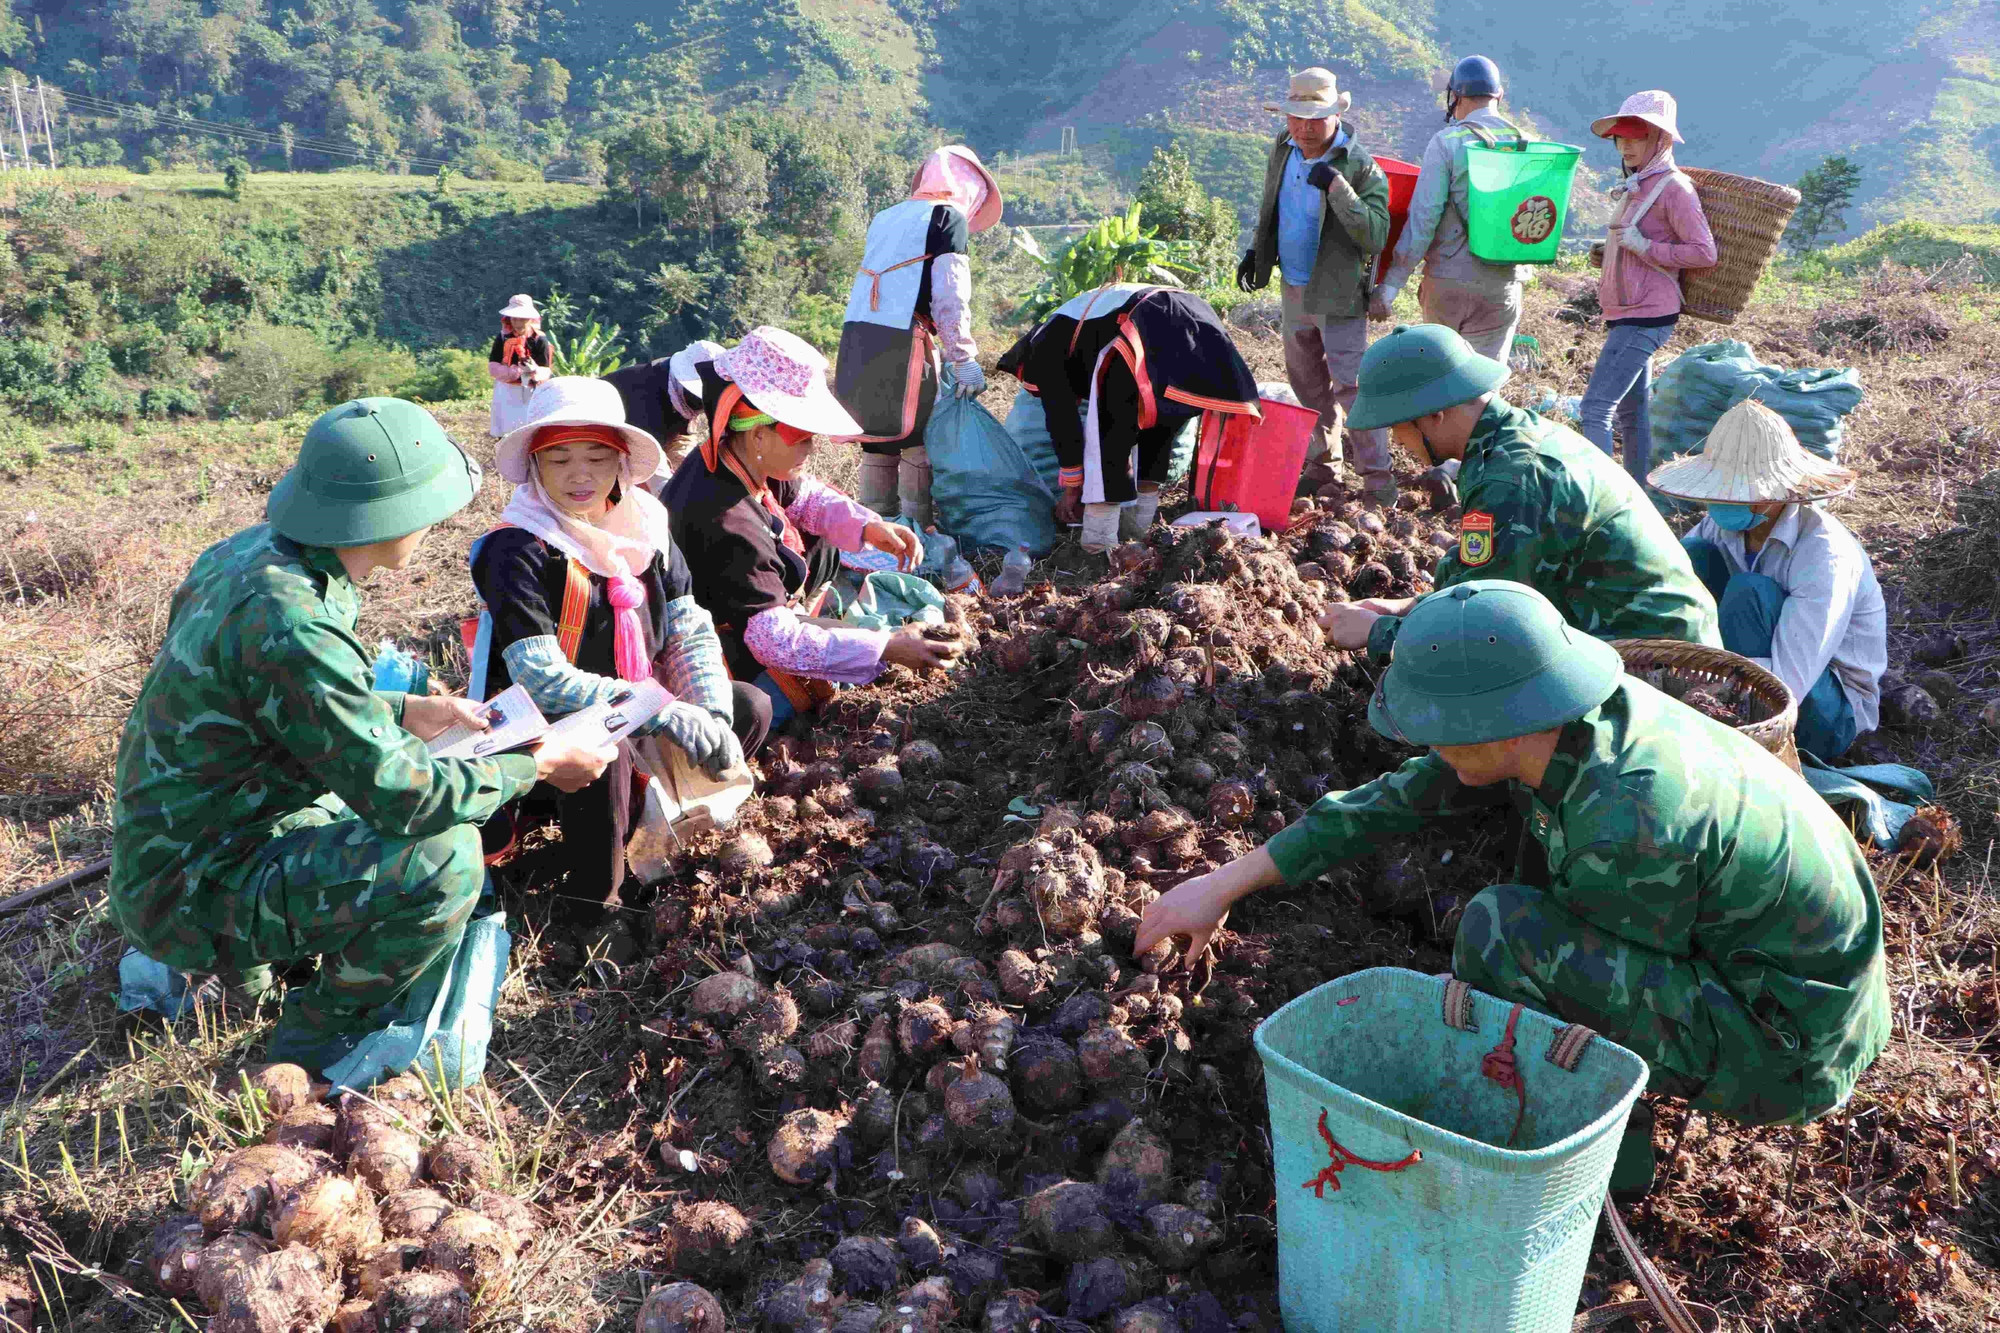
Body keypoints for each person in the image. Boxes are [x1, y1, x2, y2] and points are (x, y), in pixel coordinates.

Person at [1137, 580, 1890, 1183]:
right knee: (1526, 902)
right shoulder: (1567, 718)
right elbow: (1393, 800)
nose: (1428, 743)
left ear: (1494, 723)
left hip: (1792, 1042)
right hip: (1796, 982)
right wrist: (1225, 884)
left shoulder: (1625, 819)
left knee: (1502, 934)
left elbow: (1602, 1025)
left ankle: (1599, 1174)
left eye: (1436, 727)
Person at [110, 398, 615, 1079]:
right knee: (444, 859)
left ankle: (244, 971)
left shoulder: (252, 555)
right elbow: (405, 800)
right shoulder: (296, 620)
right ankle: (313, 1040)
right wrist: (538, 763)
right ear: (389, 514)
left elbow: (267, 697)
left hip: (192, 840)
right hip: (190, 886)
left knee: (348, 807)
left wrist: (408, 709)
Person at [470, 376, 768, 928]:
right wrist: (658, 709)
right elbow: (539, 678)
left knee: (749, 706)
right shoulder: (517, 548)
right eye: (558, 459)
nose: (579, 475)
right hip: (546, 723)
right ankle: (594, 903)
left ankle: (650, 833)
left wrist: (709, 710)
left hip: (639, 702)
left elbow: (685, 625)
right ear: (535, 465)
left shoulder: (646, 526)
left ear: (622, 464)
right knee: (599, 751)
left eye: (596, 457)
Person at [1317, 324, 1719, 660]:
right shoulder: (1508, 441)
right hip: (1632, 630)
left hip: (1654, 657)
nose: (1398, 442)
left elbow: (1486, 626)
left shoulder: (1510, 481)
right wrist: (1405, 608)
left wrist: (1382, 634)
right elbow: (1481, 573)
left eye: (1398, 428)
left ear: (1434, 415)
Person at [664, 327, 963, 727]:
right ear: (757, 434)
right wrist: (885, 647)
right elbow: (774, 642)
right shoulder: (725, 520)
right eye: (802, 437)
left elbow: (805, 497)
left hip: (748, 598)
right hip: (720, 635)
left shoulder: (737, 457)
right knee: (763, 704)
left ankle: (803, 612)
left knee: (826, 539)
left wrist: (870, 526)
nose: (811, 448)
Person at [1652, 398, 1884, 761]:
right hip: (1743, 668)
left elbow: (1791, 682)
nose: (1725, 501)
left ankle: (1737, 724)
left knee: (1750, 592)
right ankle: (1713, 702)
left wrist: (1703, 683)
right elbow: (1667, 581)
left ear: (1779, 492)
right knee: (1691, 557)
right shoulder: (1719, 526)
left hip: (1825, 710)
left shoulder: (1824, 555)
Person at [995, 284, 1259, 553]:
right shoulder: (1068, 323)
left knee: (1108, 437)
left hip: (1140, 325)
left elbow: (1064, 424)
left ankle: (1099, 547)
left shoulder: (1043, 350)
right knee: (1157, 427)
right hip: (1197, 318)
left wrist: (1072, 490)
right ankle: (1142, 536)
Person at [1235, 67, 1395, 506]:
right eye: (1296, 118)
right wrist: (1257, 251)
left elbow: (1376, 235)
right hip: (1294, 285)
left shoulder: (1362, 167)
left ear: (1336, 116)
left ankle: (1378, 481)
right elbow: (1272, 204)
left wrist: (1338, 188)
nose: (1304, 129)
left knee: (1352, 387)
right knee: (1306, 382)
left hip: (1338, 292)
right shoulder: (1283, 149)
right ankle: (1324, 466)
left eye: (1315, 119)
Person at [836, 145, 1003, 531]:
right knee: (917, 441)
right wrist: (962, 358)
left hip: (858, 340)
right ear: (970, 188)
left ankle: (874, 537)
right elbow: (950, 294)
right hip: (903, 341)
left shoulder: (885, 217)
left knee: (876, 440)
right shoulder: (947, 217)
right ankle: (918, 537)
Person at [1579, 91, 1717, 488]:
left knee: (1594, 408)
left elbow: (1704, 252)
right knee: (1631, 411)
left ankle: (1601, 500)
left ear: (1661, 141)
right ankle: (1641, 493)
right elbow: (1636, 240)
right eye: (1621, 138)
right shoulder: (1636, 185)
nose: (1625, 146)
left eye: (1636, 137)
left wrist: (1644, 247)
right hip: (1627, 311)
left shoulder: (1674, 188)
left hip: (1647, 314)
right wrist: (1610, 253)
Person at [1370, 55, 1528, 364]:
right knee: (1485, 386)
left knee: (1440, 378)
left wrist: (1391, 286)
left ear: (1454, 96)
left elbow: (1424, 218)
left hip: (1448, 281)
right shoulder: (1526, 144)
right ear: (1500, 95)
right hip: (1504, 283)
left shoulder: (1447, 142)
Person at [602, 340, 725, 484]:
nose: (702, 406)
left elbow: (683, 436)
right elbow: (644, 464)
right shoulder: (644, 401)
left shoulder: (675, 392)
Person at [488, 294, 554, 438]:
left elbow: (545, 368)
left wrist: (534, 370)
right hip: (506, 389)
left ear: (530, 319)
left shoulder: (539, 339)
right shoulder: (503, 337)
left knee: (526, 428)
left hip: (529, 390)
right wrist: (512, 372)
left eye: (522, 318)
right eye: (514, 318)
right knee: (504, 428)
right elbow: (493, 362)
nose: (517, 322)